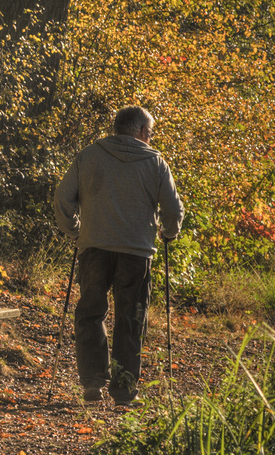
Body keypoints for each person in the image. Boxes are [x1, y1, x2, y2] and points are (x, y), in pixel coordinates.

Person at [53, 105, 184, 406]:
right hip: (136, 253)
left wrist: (76, 232)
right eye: (150, 133)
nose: (150, 138)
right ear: (140, 131)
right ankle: (124, 392)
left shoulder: (89, 155)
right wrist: (169, 233)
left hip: (94, 248)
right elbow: (174, 210)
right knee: (131, 319)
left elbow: (63, 198)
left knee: (90, 313)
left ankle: (92, 384)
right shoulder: (156, 163)